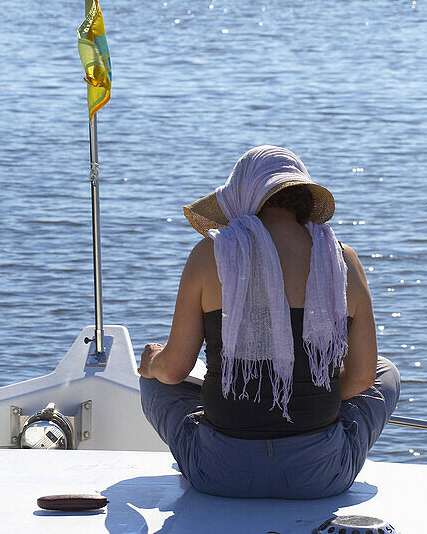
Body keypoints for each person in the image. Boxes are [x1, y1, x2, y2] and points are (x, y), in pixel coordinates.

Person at [138, 145, 400, 499]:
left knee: (154, 379)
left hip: (219, 474)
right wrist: (307, 394)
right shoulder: (341, 259)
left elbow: (173, 371)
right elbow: (363, 377)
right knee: (386, 372)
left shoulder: (210, 254)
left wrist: (152, 360)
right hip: (320, 477)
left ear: (244, 197)